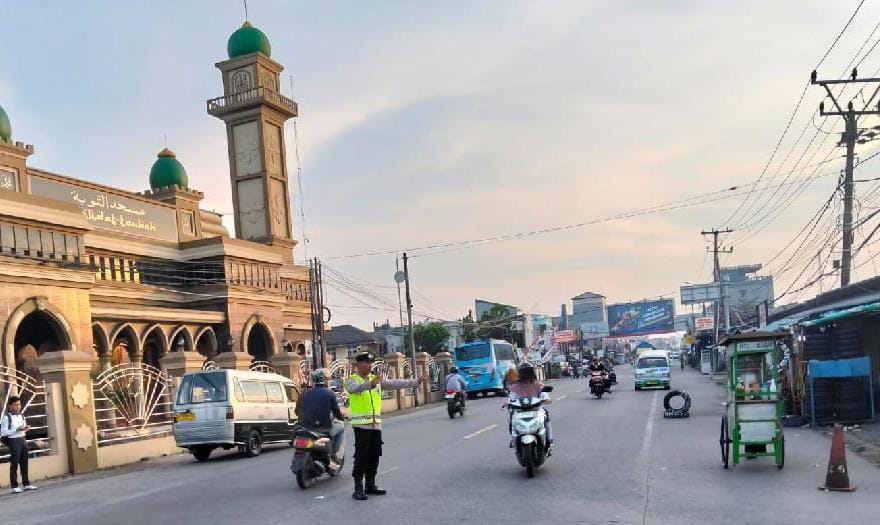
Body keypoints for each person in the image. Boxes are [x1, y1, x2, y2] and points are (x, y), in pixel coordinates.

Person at [345, 352, 424, 501]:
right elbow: (354, 389)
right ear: (358, 365)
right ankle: (358, 488)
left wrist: (415, 382)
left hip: (376, 425)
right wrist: (371, 384)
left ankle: (370, 485)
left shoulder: (375, 379)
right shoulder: (352, 380)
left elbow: (394, 383)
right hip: (361, 426)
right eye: (366, 363)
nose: (369, 366)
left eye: (371, 363)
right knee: (361, 457)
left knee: (374, 456)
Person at [297, 368, 345, 465]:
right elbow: (336, 412)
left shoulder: (305, 394)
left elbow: (300, 411)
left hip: (306, 428)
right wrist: (341, 418)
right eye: (328, 379)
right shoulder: (330, 394)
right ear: (325, 380)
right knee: (341, 427)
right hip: (323, 428)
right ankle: (334, 455)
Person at [505, 363, 553, 445]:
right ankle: (513, 439)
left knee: (546, 415)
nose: (526, 375)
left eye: (528, 372)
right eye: (524, 372)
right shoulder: (515, 386)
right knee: (511, 417)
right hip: (520, 410)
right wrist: (508, 402)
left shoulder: (537, 384)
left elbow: (543, 392)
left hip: (536, 409)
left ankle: (549, 438)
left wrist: (546, 399)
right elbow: (511, 397)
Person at [1, 396, 36, 494]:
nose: (18, 407)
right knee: (14, 463)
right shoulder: (6, 417)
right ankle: (14, 486)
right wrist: (16, 429)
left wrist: (25, 429)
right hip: (13, 440)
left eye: (19, 404)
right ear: (10, 406)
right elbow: (3, 432)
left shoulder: (22, 416)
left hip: (22, 439)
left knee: (24, 462)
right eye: (15, 405)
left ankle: (26, 484)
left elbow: (22, 429)